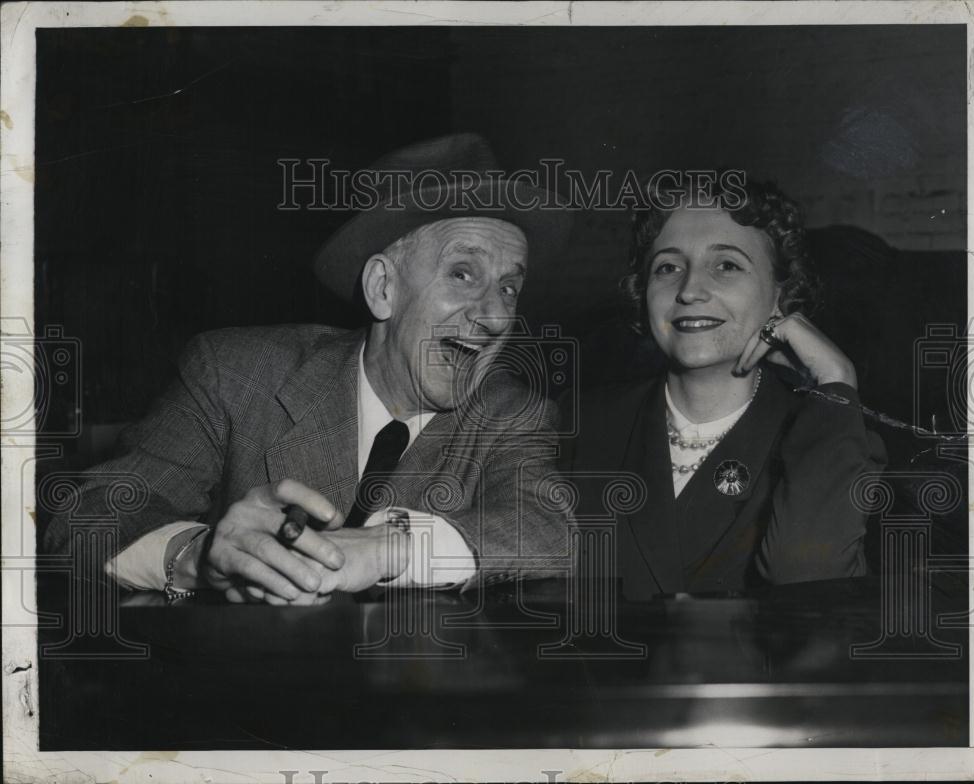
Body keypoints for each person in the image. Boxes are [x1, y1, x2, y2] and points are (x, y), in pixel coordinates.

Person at [43, 133, 575, 604]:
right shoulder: (236, 374)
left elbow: (552, 531)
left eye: (509, 287)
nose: (498, 315)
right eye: (463, 274)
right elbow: (85, 515)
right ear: (383, 288)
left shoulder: (511, 413)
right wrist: (199, 556)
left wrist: (391, 549)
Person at [560, 175, 887, 599]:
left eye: (727, 265)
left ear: (779, 296)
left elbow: (809, 579)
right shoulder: (575, 424)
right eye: (668, 267)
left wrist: (836, 380)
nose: (691, 290)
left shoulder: (833, 434)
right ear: (644, 293)